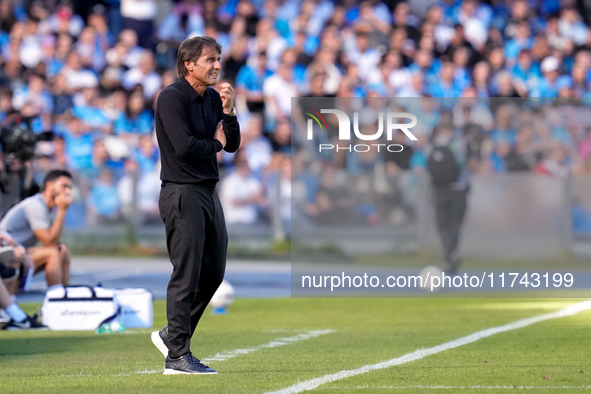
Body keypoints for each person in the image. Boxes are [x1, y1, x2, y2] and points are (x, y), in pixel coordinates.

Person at [151, 36, 241, 375]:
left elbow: (231, 144)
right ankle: (177, 356)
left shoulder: (212, 98)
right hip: (182, 193)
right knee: (185, 274)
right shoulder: (171, 98)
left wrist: (229, 112)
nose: (217, 65)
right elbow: (187, 147)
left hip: (206, 192)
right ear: (189, 64)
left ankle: (172, 336)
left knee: (214, 273)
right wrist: (216, 141)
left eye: (218, 59)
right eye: (210, 60)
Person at [0, 170, 73, 293]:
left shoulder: (50, 207)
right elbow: (49, 241)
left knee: (63, 252)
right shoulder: (36, 205)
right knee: (53, 253)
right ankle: (57, 298)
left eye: (70, 187)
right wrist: (62, 211)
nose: (68, 192)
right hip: (6, 252)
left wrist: (59, 244)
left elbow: (52, 240)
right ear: (49, 185)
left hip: (22, 251)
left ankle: (66, 294)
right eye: (64, 186)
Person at [426, 123, 470, 274]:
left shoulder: (433, 145)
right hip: (455, 190)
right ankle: (451, 255)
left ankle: (450, 256)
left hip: (442, 191)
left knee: (445, 225)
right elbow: (462, 163)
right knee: (451, 226)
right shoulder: (458, 144)